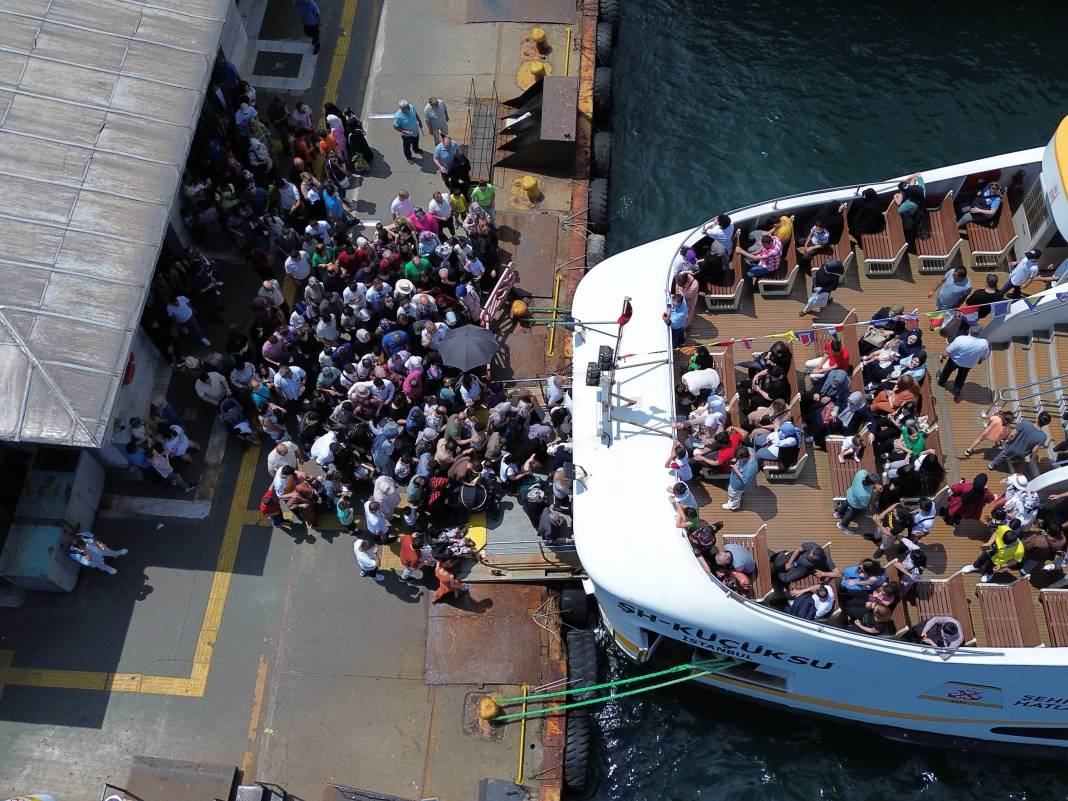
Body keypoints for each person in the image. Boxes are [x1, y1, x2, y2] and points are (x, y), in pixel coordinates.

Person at [961, 518, 1025, 583]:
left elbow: (1014, 561)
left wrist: (1001, 566)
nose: (1003, 544)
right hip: (990, 549)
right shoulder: (1003, 528)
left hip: (998, 560)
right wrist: (989, 543)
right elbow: (996, 533)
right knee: (981, 559)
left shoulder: (1020, 549)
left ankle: (989, 574)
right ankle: (975, 566)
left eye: (1006, 543)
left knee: (990, 567)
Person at [937, 330, 990, 400]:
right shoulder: (984, 343)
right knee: (961, 377)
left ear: (969, 331)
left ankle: (941, 382)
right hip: (968, 365)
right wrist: (980, 361)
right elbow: (985, 355)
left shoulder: (960, 339)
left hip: (954, 361)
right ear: (979, 333)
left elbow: (949, 351)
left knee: (947, 371)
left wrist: (942, 356)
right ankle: (956, 391)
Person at [770, 542, 839, 588]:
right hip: (796, 557)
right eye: (810, 553)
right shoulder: (811, 546)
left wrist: (823, 574)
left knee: (786, 579)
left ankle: (776, 575)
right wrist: (790, 562)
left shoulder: (826, 559)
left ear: (818, 558)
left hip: (804, 567)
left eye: (811, 557)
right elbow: (798, 550)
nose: (809, 555)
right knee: (778, 563)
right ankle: (783, 555)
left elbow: (838, 574)